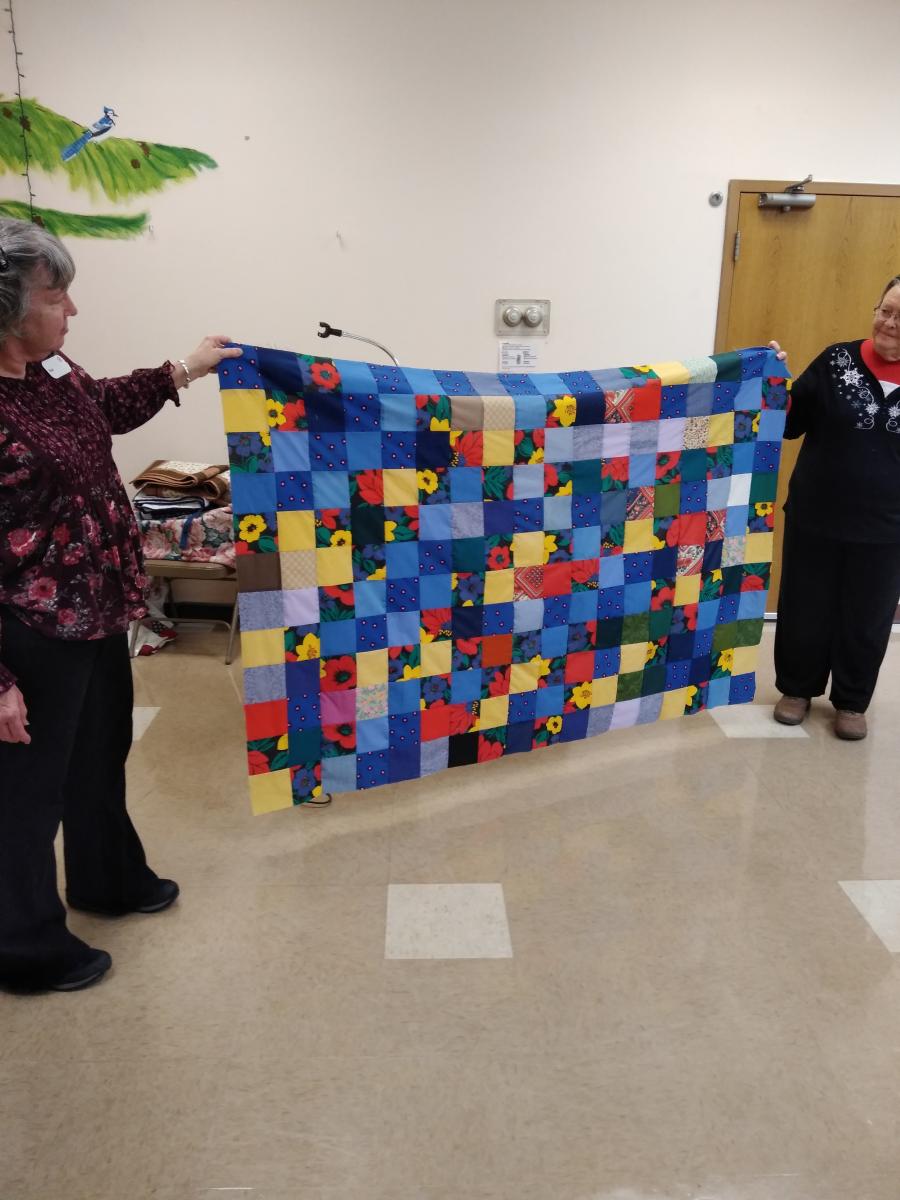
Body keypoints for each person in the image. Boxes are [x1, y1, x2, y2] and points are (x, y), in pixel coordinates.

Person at [0, 217, 241, 991]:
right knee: (25, 795)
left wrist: (187, 368)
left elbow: (102, 404)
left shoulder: (48, 370)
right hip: (30, 629)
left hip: (97, 611)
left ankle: (105, 879)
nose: (71, 310)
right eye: (55, 296)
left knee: (98, 757)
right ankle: (25, 948)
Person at [772, 276, 900, 740]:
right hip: (816, 516)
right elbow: (789, 422)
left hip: (888, 529)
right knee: (805, 606)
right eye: (885, 310)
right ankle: (796, 689)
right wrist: (773, 382)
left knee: (868, 617)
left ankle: (851, 701)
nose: (890, 323)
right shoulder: (835, 361)